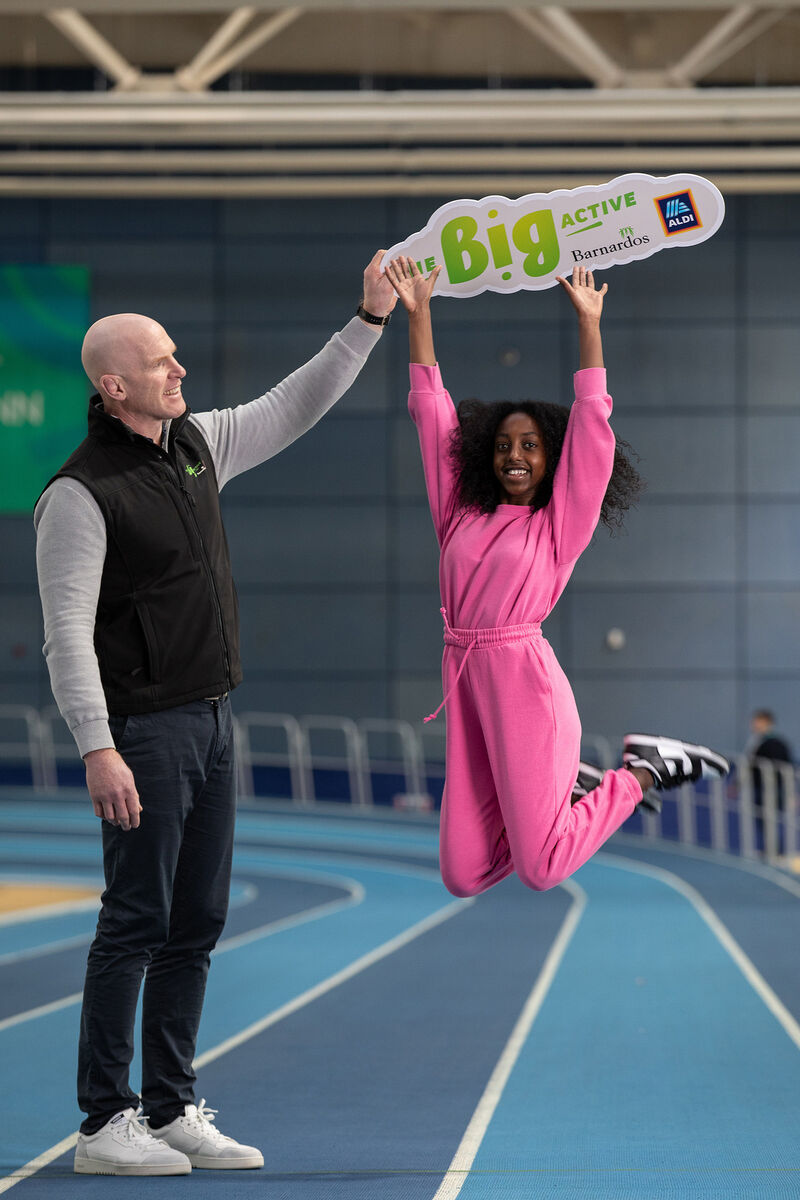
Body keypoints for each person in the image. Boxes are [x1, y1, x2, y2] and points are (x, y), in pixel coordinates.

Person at [34, 250, 398, 1176]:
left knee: (196, 922)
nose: (181, 369)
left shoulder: (196, 445)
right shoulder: (80, 495)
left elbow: (291, 406)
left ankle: (168, 1106)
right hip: (143, 733)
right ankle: (103, 1123)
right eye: (162, 362)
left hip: (213, 720)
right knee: (135, 922)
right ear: (115, 385)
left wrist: (368, 319)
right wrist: (98, 749)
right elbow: (66, 637)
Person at [385, 255, 730, 898]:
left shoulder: (557, 526)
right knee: (463, 875)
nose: (515, 456)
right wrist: (420, 313)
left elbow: (593, 435)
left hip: (524, 684)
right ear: (485, 454)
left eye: (531, 446)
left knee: (542, 869)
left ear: (549, 458)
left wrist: (590, 327)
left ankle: (641, 774)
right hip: (463, 677)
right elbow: (431, 413)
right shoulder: (459, 511)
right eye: (504, 445)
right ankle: (560, 787)